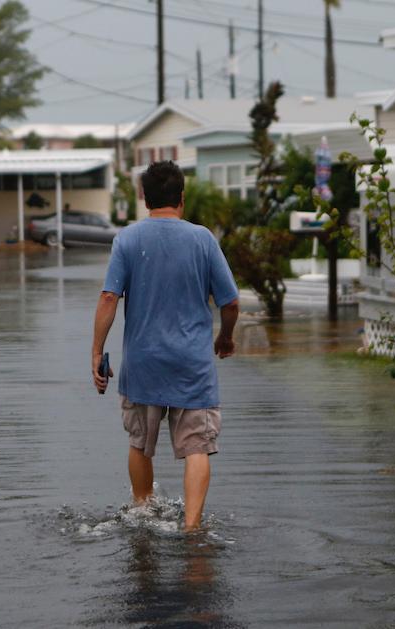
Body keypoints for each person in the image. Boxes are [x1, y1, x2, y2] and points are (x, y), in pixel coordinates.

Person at [91, 160, 240, 532]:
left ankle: (142, 516)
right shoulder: (203, 239)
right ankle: (192, 529)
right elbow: (231, 302)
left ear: (144, 199)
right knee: (198, 448)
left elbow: (109, 297)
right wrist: (225, 336)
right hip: (192, 364)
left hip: (143, 364)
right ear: (182, 198)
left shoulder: (127, 239)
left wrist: (97, 352)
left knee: (140, 443)